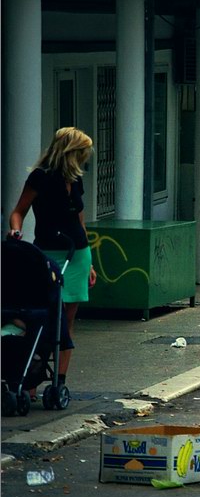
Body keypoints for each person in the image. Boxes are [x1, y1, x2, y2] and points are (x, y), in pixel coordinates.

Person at [7, 127, 97, 397]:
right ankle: (31, 379)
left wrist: (90, 262)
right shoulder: (41, 178)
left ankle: (59, 380)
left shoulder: (76, 179)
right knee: (43, 316)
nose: (85, 158)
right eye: (82, 153)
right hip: (46, 254)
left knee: (66, 322)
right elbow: (18, 211)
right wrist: (15, 231)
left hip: (77, 254)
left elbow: (79, 220)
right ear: (71, 152)